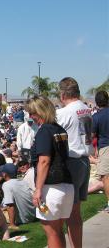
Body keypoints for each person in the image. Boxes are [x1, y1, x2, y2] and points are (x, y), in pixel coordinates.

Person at [26, 95, 74, 248]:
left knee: (51, 232)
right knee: (58, 231)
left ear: (40, 112)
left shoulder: (44, 131)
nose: (31, 117)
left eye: (32, 113)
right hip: (66, 185)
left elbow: (44, 161)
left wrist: (38, 189)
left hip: (52, 187)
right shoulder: (59, 129)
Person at [56, 77, 92, 248]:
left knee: (63, 215)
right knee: (75, 214)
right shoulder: (85, 109)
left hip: (72, 162)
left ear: (63, 94)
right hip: (84, 160)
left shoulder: (64, 113)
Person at [0, 163, 36, 228]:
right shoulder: (23, 181)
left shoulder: (6, 185)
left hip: (22, 219)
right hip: (32, 216)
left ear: (4, 174)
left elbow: (10, 205)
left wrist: (12, 224)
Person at [92, 90, 109, 212]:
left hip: (105, 147)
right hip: (103, 146)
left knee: (106, 177)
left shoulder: (96, 117)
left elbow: (92, 134)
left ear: (97, 102)